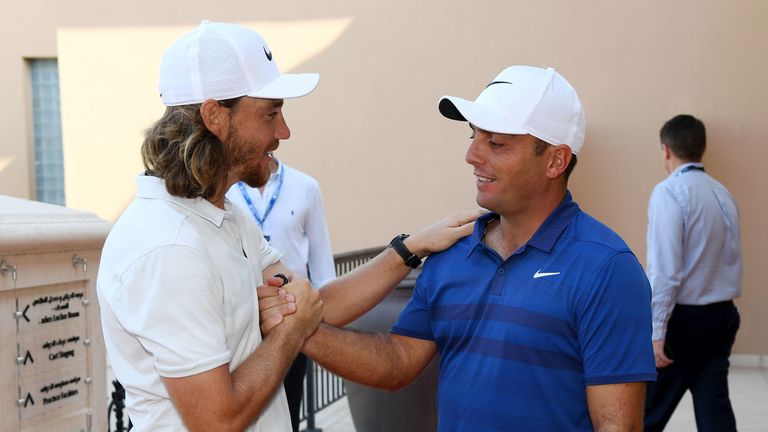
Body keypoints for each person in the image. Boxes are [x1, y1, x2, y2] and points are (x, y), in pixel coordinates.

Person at [96, 21, 480, 432]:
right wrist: (291, 332)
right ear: (215, 116)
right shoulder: (169, 249)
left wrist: (409, 248)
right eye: (271, 113)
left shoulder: (223, 217)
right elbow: (216, 422)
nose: (284, 131)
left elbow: (319, 305)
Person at [265, 65, 657, 431]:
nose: (472, 156)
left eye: (497, 143)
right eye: (474, 136)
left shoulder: (608, 269)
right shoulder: (450, 253)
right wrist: (302, 331)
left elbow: (616, 425)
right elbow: (398, 362)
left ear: (556, 160)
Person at [644, 114, 742, 431]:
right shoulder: (723, 193)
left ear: (666, 150)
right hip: (723, 315)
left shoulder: (669, 193)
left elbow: (665, 271)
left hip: (684, 321)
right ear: (701, 148)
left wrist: (656, 332)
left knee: (645, 412)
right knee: (713, 407)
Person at [227, 156, 336, 432]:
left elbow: (322, 264)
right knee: (244, 409)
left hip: (290, 318)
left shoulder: (306, 186)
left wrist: (323, 325)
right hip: (242, 324)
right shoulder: (226, 191)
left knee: (290, 408)